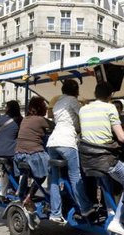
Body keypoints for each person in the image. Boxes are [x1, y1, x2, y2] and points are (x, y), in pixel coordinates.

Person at [79, 82, 124, 235]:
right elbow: (121, 138)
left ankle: (110, 211)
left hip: (87, 160)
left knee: (106, 176)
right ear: (110, 96)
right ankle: (118, 219)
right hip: (105, 159)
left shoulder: (83, 109)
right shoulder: (110, 108)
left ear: (95, 93)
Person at [46, 79, 94, 224]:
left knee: (54, 179)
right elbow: (83, 115)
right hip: (67, 142)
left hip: (53, 142)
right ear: (75, 90)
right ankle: (85, 208)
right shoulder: (73, 101)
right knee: (75, 176)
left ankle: (55, 212)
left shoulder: (58, 103)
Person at [14, 97, 53, 211]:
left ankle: (22, 192)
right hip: (33, 154)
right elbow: (55, 125)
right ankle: (30, 196)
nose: (46, 108)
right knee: (49, 169)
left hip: (19, 155)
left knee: (35, 173)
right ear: (40, 108)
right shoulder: (40, 120)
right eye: (44, 106)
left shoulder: (25, 119)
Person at [0, 100, 23, 197]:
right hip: (11, 151)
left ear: (7, 109)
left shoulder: (0, 119)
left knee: (7, 168)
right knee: (19, 166)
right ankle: (17, 189)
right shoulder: (20, 120)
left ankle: (6, 190)